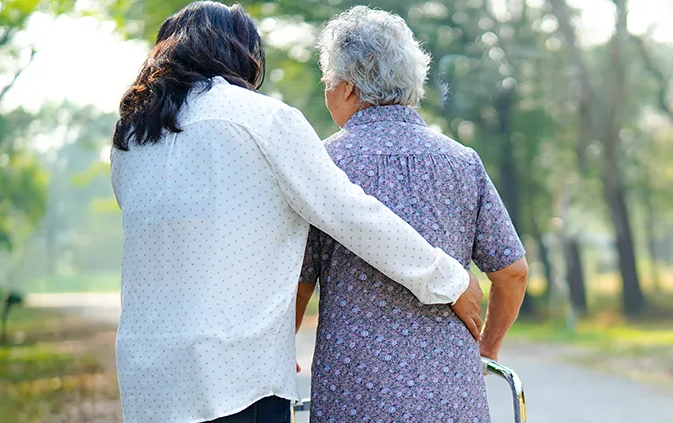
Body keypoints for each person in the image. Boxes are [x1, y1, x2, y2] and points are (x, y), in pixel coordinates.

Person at [109, 2, 484, 422]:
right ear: (240, 53)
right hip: (233, 376)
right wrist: (448, 278)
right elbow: (350, 214)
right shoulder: (263, 119)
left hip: (147, 375)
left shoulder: (132, 135)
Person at [293, 6, 530, 423]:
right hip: (453, 398)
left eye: (328, 81)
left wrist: (279, 351)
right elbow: (512, 273)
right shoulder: (462, 163)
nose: (327, 90)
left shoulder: (321, 166)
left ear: (348, 87)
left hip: (353, 398)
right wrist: (487, 349)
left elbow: (298, 284)